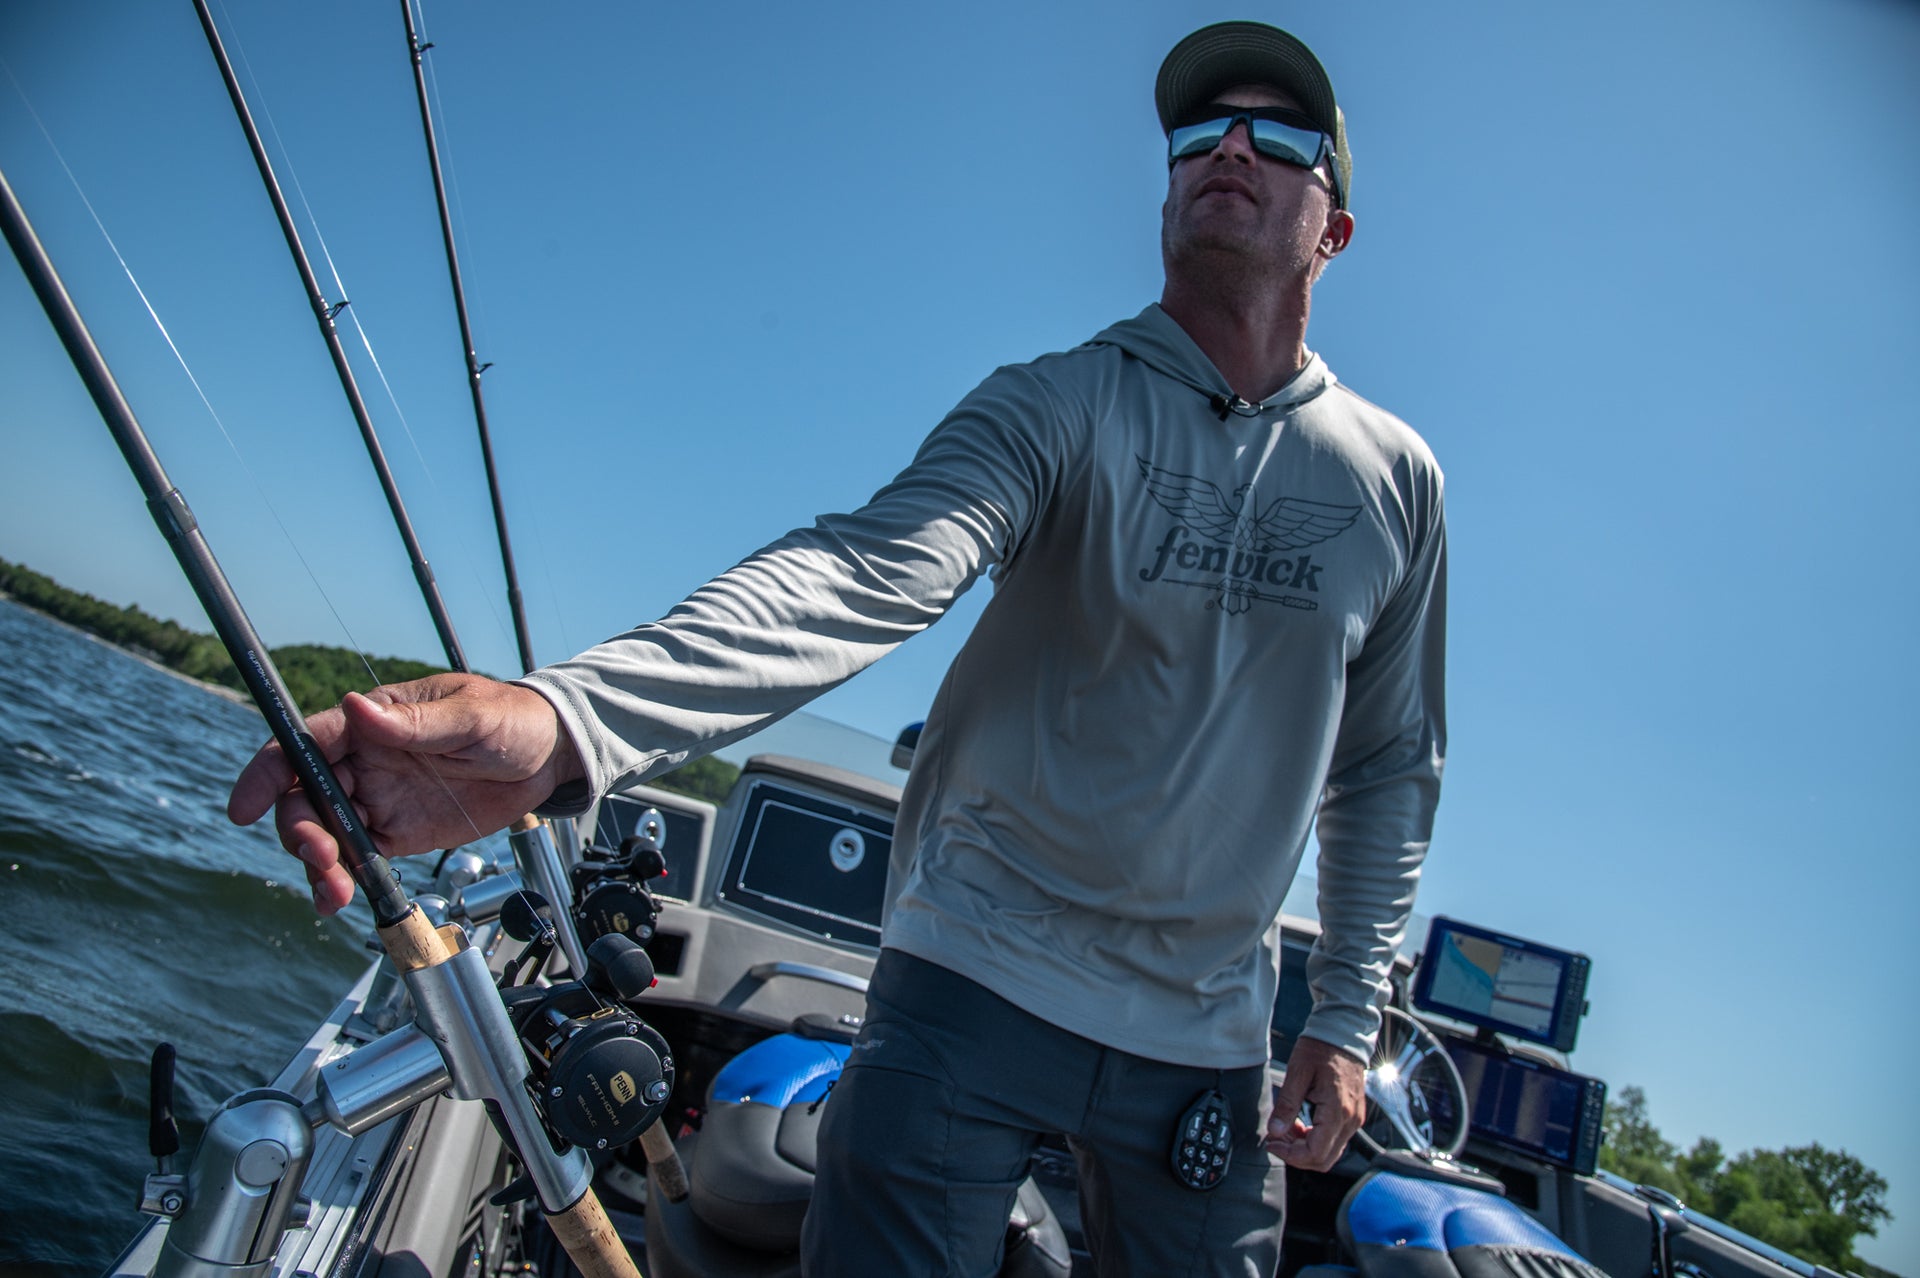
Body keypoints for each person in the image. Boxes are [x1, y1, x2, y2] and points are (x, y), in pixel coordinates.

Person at [229, 21, 1445, 1277]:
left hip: (1206, 1040)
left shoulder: (1399, 483)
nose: (1228, 148)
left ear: (1335, 228)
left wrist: (1345, 1019)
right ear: (1165, 197)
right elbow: (862, 573)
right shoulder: (1062, 404)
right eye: (1201, 132)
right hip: (974, 973)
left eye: (1278, 135)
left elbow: (1391, 765)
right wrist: (566, 724)